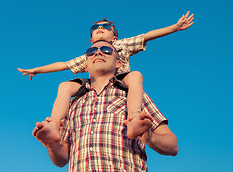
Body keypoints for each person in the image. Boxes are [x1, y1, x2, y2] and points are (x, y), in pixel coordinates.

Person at [19, 11, 193, 141]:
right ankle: (54, 125)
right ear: (91, 41)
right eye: (95, 28)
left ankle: (133, 117)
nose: (100, 28)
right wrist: (36, 70)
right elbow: (63, 65)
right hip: (95, 83)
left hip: (120, 81)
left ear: (115, 36)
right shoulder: (89, 55)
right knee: (65, 86)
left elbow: (147, 36)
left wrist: (175, 28)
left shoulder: (121, 45)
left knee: (135, 76)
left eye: (106, 26)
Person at [33, 40, 178, 172]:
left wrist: (149, 137)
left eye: (106, 50)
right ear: (86, 66)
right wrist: (52, 145)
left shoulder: (133, 94)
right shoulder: (72, 104)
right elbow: (62, 159)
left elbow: (172, 146)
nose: (98, 52)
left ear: (118, 64)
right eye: (91, 52)